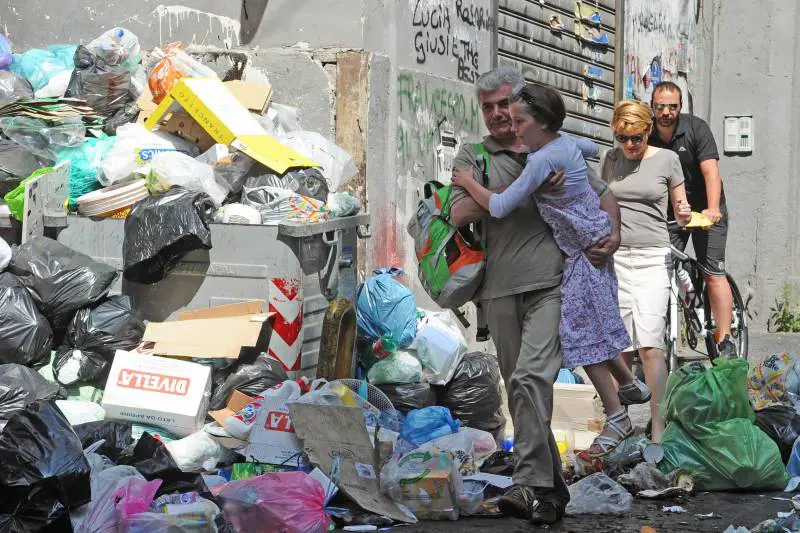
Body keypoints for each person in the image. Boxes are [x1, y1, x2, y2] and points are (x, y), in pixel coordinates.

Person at [448, 66, 622, 525]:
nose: (498, 114)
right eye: (488, 107)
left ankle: (529, 483)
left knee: (530, 379)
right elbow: (458, 213)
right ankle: (550, 491)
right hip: (498, 291)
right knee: (523, 392)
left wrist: (614, 235)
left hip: (553, 284)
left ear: (522, 103)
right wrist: (526, 187)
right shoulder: (474, 156)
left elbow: (604, 194)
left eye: (505, 104)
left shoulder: (551, 149)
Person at [603, 100, 692, 442]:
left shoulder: (667, 160)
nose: (629, 145)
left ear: (648, 131)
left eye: (636, 138)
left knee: (651, 345)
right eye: (622, 138)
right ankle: (617, 426)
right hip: (615, 258)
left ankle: (658, 429)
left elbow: (680, 210)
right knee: (619, 348)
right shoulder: (610, 159)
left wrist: (683, 212)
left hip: (653, 256)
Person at [648, 81, 735, 358]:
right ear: (652, 107)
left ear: (680, 107)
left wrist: (713, 209)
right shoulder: (646, 133)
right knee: (659, 270)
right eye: (660, 106)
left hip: (705, 210)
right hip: (672, 212)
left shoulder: (696, 129)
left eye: (672, 106)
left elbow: (711, 173)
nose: (666, 112)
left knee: (713, 274)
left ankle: (725, 339)